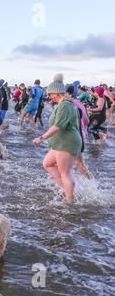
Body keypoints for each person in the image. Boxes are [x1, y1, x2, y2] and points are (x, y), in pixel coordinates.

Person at [33, 74, 82, 205]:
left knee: (65, 173)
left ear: (56, 93)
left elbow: (58, 126)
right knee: (47, 164)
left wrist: (41, 138)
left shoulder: (65, 105)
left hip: (66, 143)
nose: (49, 96)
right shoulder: (64, 104)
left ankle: (70, 202)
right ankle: (65, 189)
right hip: (60, 143)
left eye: (50, 94)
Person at [66, 84, 92, 179]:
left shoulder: (66, 104)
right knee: (79, 163)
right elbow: (87, 121)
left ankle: (65, 187)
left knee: (60, 163)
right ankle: (92, 184)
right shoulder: (79, 103)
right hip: (80, 135)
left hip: (70, 137)